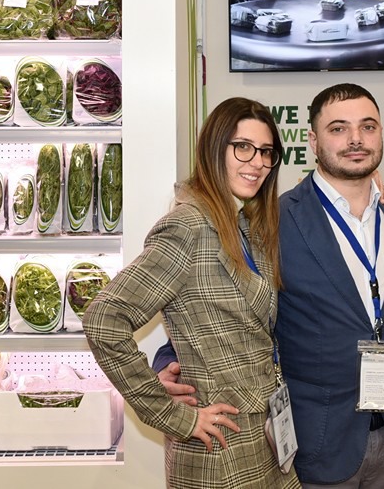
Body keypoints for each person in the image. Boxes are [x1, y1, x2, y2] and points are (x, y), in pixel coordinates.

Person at [157, 84, 384, 489]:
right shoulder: (272, 221)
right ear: (313, 141)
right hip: (316, 444)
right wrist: (168, 363)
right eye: (338, 128)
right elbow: (220, 306)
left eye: (367, 127)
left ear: (381, 134)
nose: (355, 139)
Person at [83, 96, 301, 489]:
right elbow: (104, 319)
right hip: (218, 448)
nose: (257, 162)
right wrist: (173, 415)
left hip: (262, 436)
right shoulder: (189, 226)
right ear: (214, 149)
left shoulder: (244, 224)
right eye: (243, 147)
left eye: (266, 152)